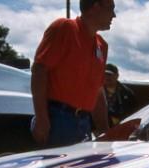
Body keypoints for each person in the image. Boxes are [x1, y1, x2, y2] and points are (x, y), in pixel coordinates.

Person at [30, 0, 116, 147]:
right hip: (58, 119)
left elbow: (97, 90)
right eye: (111, 9)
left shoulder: (102, 46)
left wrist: (104, 131)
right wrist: (42, 118)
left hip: (83, 122)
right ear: (95, 7)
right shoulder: (64, 28)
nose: (114, 15)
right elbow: (39, 70)